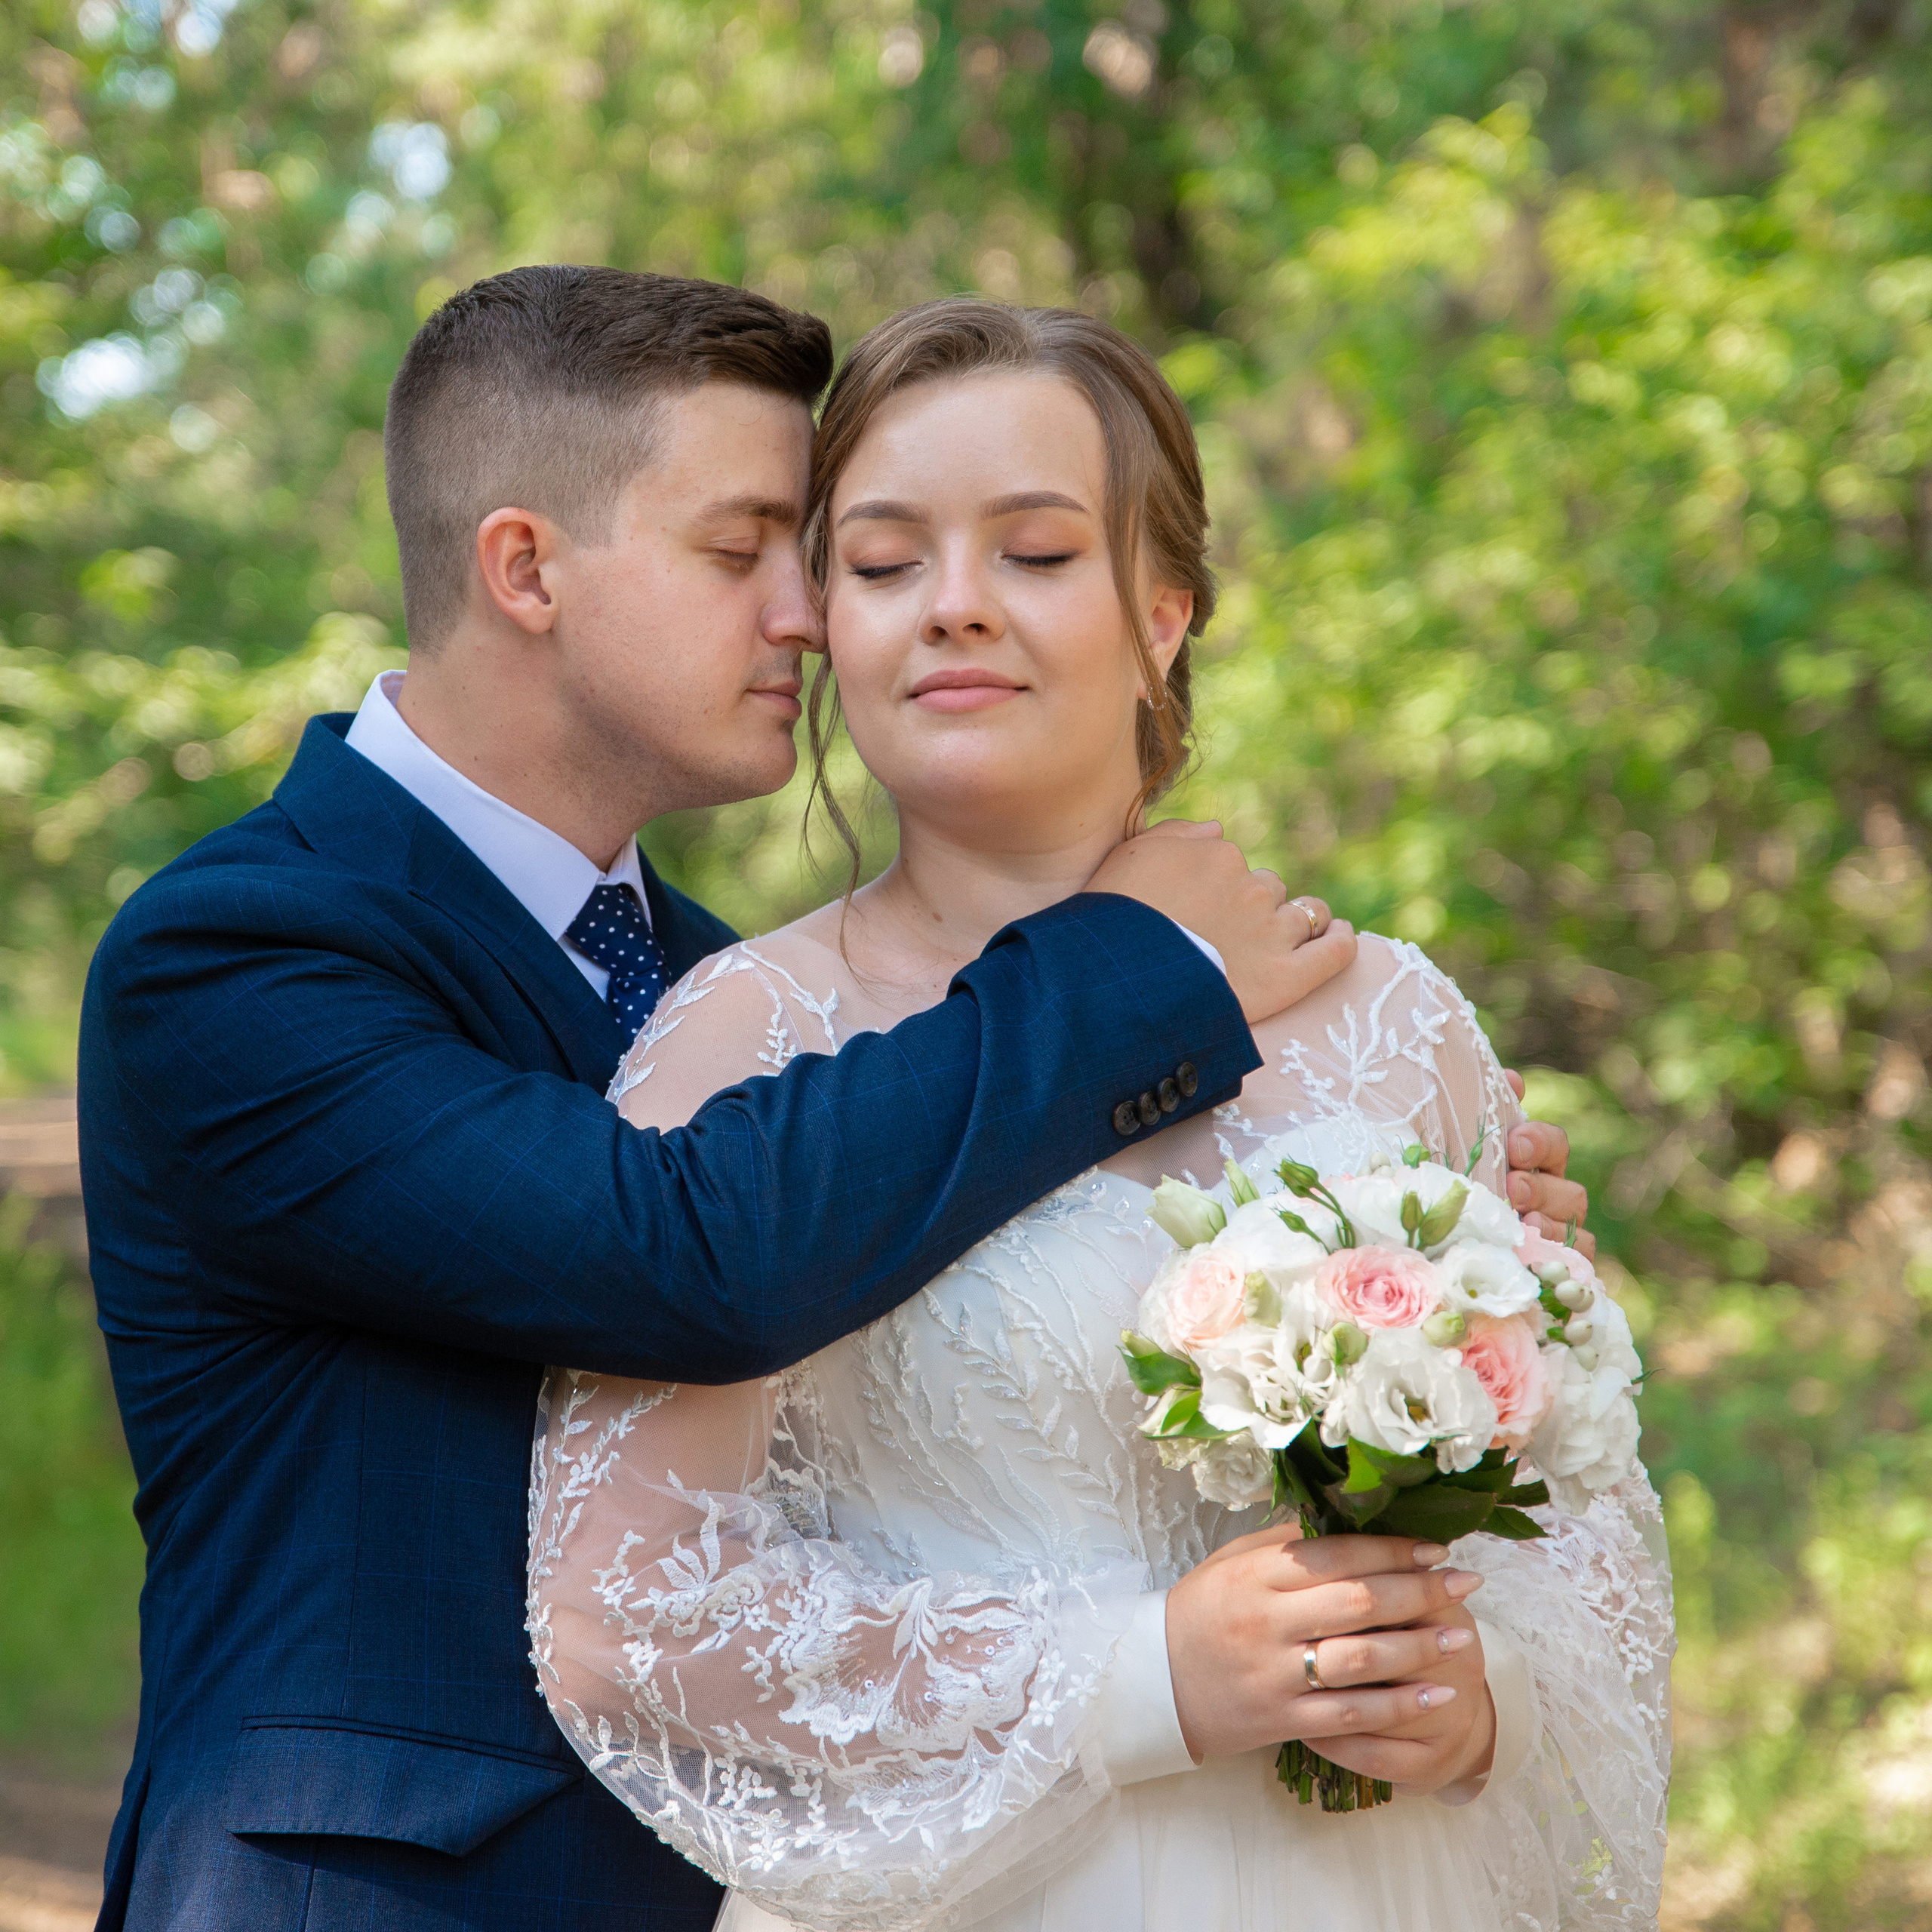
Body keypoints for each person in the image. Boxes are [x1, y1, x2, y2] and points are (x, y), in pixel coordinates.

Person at [77, 267, 1589, 1931]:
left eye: (816, 558)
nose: (805, 612)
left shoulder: (745, 989)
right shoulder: (240, 951)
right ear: (524, 568)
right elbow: (680, 1251)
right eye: (751, 553)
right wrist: (1127, 963)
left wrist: (1403, 1230)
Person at [527, 299, 1670, 1931]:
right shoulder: (736, 1042)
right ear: (826, 622)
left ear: (1161, 611)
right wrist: (1146, 1675)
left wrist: (1476, 1694)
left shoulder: (1389, 1015)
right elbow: (622, 1610)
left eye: (1036, 553)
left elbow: (1583, 1518)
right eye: (883, 560)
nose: (954, 608)